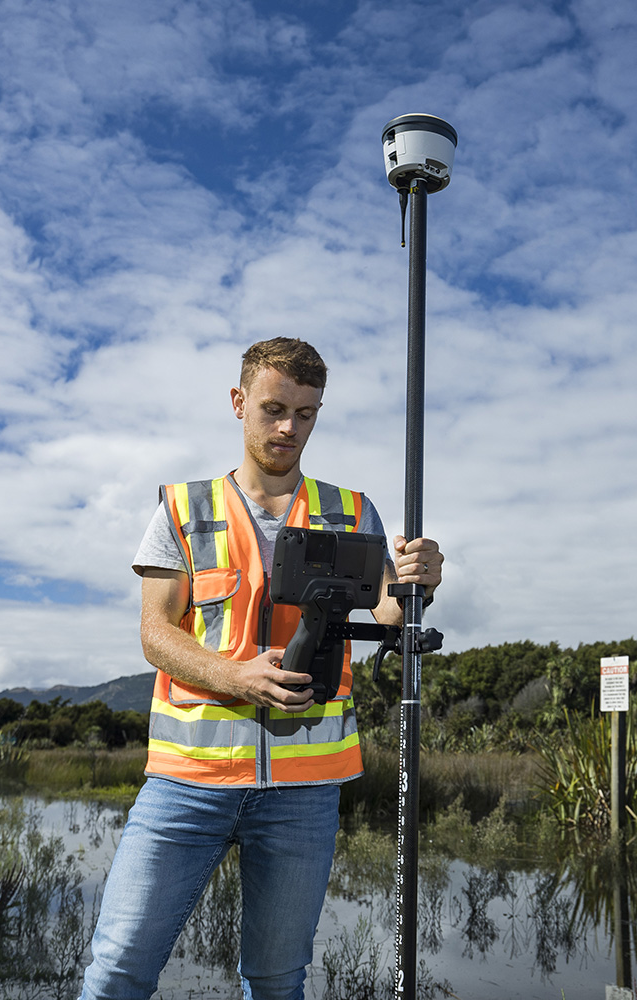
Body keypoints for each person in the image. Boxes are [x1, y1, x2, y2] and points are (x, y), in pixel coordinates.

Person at [79, 337, 443, 1000]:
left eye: (306, 413)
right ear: (238, 402)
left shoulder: (353, 511)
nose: (288, 428)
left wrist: (420, 581)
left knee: (277, 981)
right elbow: (156, 634)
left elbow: (391, 612)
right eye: (274, 408)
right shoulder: (183, 510)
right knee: (117, 970)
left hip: (307, 790)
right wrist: (235, 677)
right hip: (187, 784)